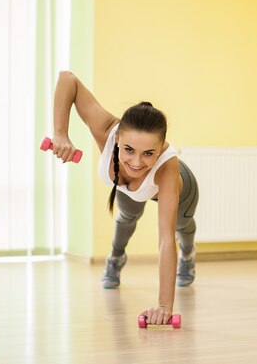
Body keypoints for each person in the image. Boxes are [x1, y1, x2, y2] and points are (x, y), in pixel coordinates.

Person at [50, 71, 199, 325]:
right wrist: (60, 133)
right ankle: (116, 259)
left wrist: (165, 306)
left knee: (180, 227)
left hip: (180, 188)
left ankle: (188, 255)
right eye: (128, 150)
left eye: (149, 153)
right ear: (117, 138)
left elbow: (164, 239)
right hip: (132, 190)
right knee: (126, 217)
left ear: (161, 147)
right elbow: (67, 79)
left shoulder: (167, 168)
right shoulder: (106, 130)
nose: (136, 162)